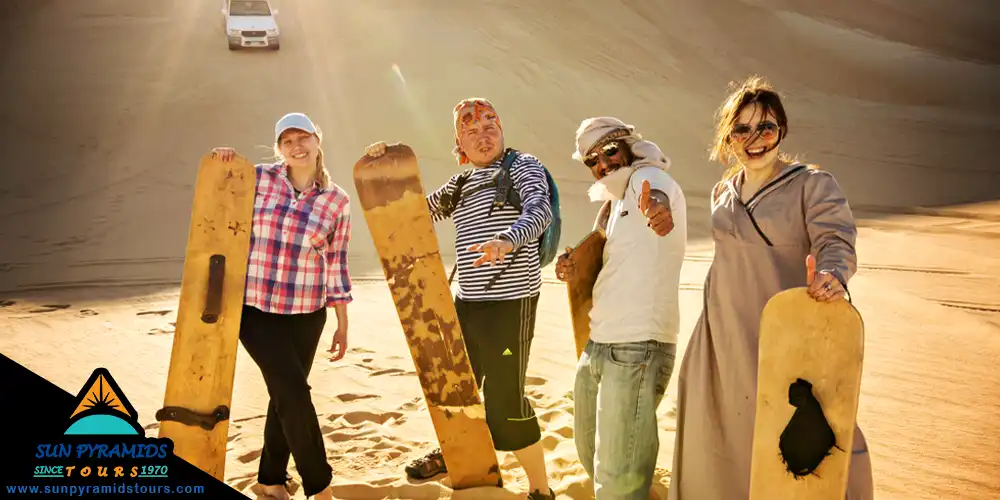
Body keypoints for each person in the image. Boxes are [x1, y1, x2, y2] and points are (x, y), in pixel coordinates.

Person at [667, 76, 875, 499]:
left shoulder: (812, 185)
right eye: (741, 129)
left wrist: (832, 274)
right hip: (722, 335)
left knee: (800, 439)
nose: (755, 139)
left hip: (782, 337)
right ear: (728, 136)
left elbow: (835, 238)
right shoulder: (722, 192)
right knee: (722, 433)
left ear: (782, 130)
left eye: (766, 128)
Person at [364, 97, 555, 500]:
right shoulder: (463, 183)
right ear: (459, 143)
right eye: (471, 132)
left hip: (511, 304)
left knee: (505, 397)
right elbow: (415, 210)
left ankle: (541, 489)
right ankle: (453, 453)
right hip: (466, 302)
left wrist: (507, 240)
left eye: (490, 128)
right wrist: (385, 166)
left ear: (501, 130)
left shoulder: (523, 167)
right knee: (456, 385)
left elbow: (540, 211)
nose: (482, 137)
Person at [211, 112, 353, 500]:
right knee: (293, 391)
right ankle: (319, 485)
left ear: (317, 140)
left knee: (284, 394)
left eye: (302, 137)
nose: (296, 147)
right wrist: (223, 163)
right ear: (278, 149)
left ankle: (271, 479)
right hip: (255, 310)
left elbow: (337, 262)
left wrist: (341, 320)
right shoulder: (258, 179)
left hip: (307, 313)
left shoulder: (336, 201)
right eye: (287, 141)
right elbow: (218, 195)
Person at [554, 117, 687, 500]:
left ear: (629, 145)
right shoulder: (611, 206)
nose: (603, 164)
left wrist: (658, 212)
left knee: (618, 480)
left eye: (610, 151)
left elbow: (657, 199)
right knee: (589, 453)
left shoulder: (651, 179)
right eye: (591, 160)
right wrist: (573, 266)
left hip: (637, 349)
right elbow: (608, 261)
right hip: (597, 344)